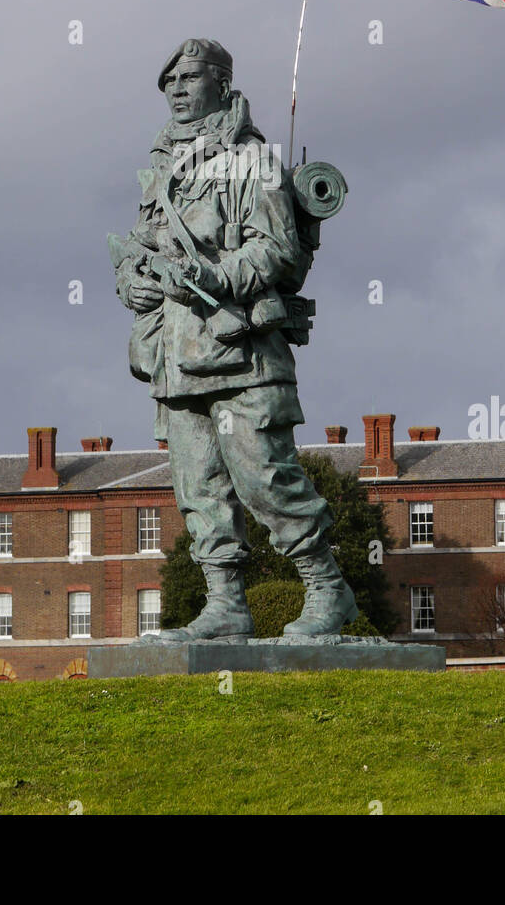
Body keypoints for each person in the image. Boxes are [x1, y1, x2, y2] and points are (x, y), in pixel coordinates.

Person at [111, 38, 357, 640]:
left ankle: (329, 590)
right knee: (198, 490)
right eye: (169, 81)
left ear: (221, 83)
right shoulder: (163, 165)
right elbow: (139, 247)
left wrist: (213, 276)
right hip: (175, 353)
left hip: (241, 351)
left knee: (264, 478)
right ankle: (226, 605)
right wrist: (132, 284)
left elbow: (276, 248)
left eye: (189, 78)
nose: (176, 90)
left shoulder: (252, 159)